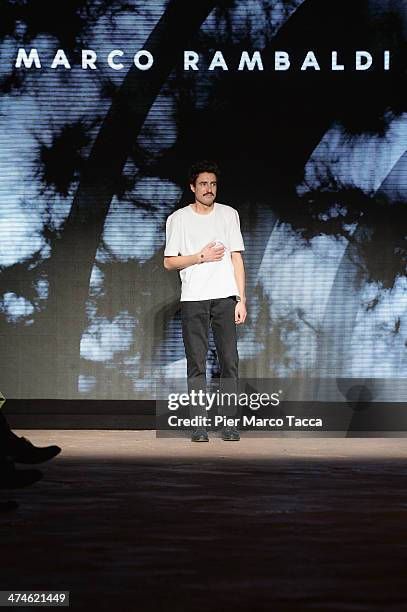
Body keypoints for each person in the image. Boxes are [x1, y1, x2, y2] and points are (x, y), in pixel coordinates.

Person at [164, 160, 247, 442]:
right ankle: (199, 425)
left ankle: (229, 424)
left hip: (225, 298)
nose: (209, 189)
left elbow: (237, 258)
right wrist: (200, 257)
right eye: (203, 184)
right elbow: (169, 262)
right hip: (194, 299)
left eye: (212, 184)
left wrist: (241, 299)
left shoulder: (229, 215)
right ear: (192, 187)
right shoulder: (178, 219)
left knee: (229, 362)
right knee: (196, 363)